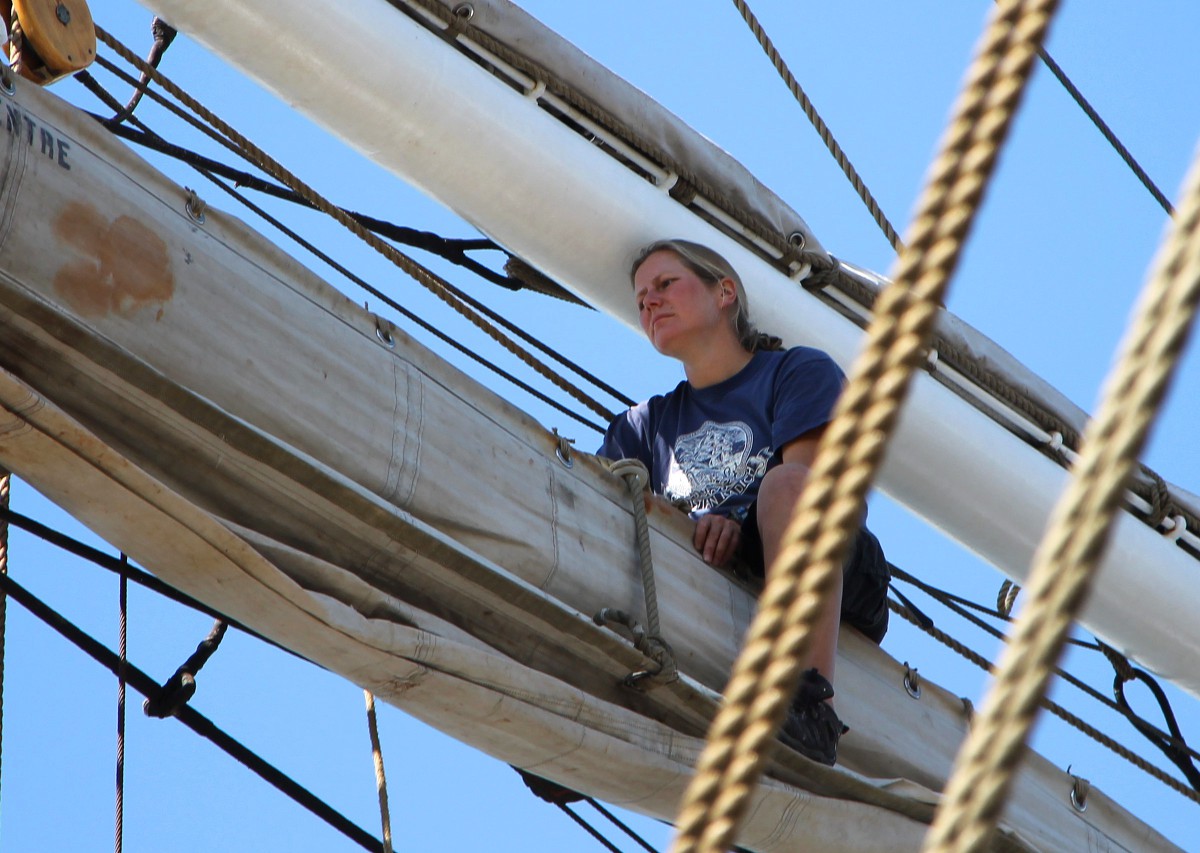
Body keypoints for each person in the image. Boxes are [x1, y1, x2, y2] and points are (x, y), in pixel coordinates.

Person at [599, 239, 889, 766]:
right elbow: (608, 509)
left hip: (828, 561)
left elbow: (814, 486)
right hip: (710, 564)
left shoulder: (797, 373)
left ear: (725, 291)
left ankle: (810, 701)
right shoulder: (641, 428)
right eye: (641, 299)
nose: (650, 303)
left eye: (666, 284)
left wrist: (734, 520)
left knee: (784, 487)